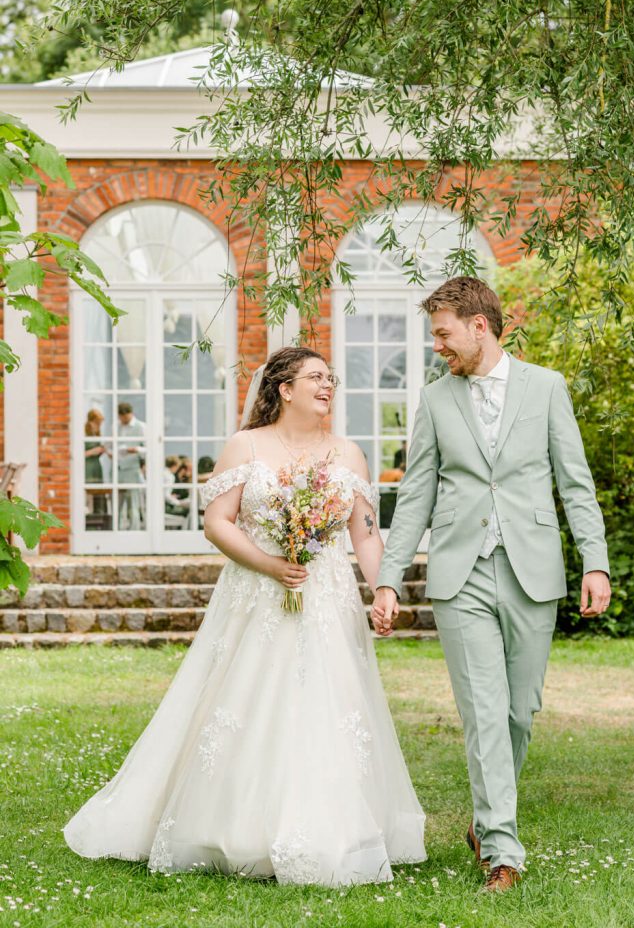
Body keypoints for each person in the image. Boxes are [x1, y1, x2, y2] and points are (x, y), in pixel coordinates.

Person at [64, 347, 426, 885]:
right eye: (315, 378)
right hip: (257, 594)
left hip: (325, 597)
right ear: (283, 388)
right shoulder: (246, 445)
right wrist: (271, 563)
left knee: (333, 706)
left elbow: (365, 533)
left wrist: (384, 589)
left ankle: (337, 829)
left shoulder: (348, 453)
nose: (328, 386)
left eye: (331, 379)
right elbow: (218, 522)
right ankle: (235, 829)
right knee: (246, 701)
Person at [372, 276, 611, 894]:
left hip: (532, 566)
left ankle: (487, 820)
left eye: (444, 334)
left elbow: (575, 483)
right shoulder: (435, 399)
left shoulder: (547, 388)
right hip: (460, 571)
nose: (437, 347)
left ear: (480, 325)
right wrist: (389, 579)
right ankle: (502, 848)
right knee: (482, 710)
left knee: (518, 710)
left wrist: (596, 561)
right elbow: (416, 491)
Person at [117, 402, 146, 530]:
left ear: (131, 414)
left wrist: (136, 449)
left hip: (133, 469)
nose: (124, 420)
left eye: (126, 418)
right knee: (117, 504)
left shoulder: (141, 427)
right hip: (118, 470)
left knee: (133, 504)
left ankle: (134, 531)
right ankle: (116, 530)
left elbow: (149, 448)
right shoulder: (116, 427)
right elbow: (109, 445)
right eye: (122, 418)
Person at [84, 408, 110, 524]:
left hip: (96, 466)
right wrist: (92, 452)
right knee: (89, 494)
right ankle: (89, 520)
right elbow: (78, 454)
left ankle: (99, 520)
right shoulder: (83, 433)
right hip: (88, 467)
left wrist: (102, 451)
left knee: (98, 493)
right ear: (90, 421)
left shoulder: (96, 433)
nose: (98, 426)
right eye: (96, 423)